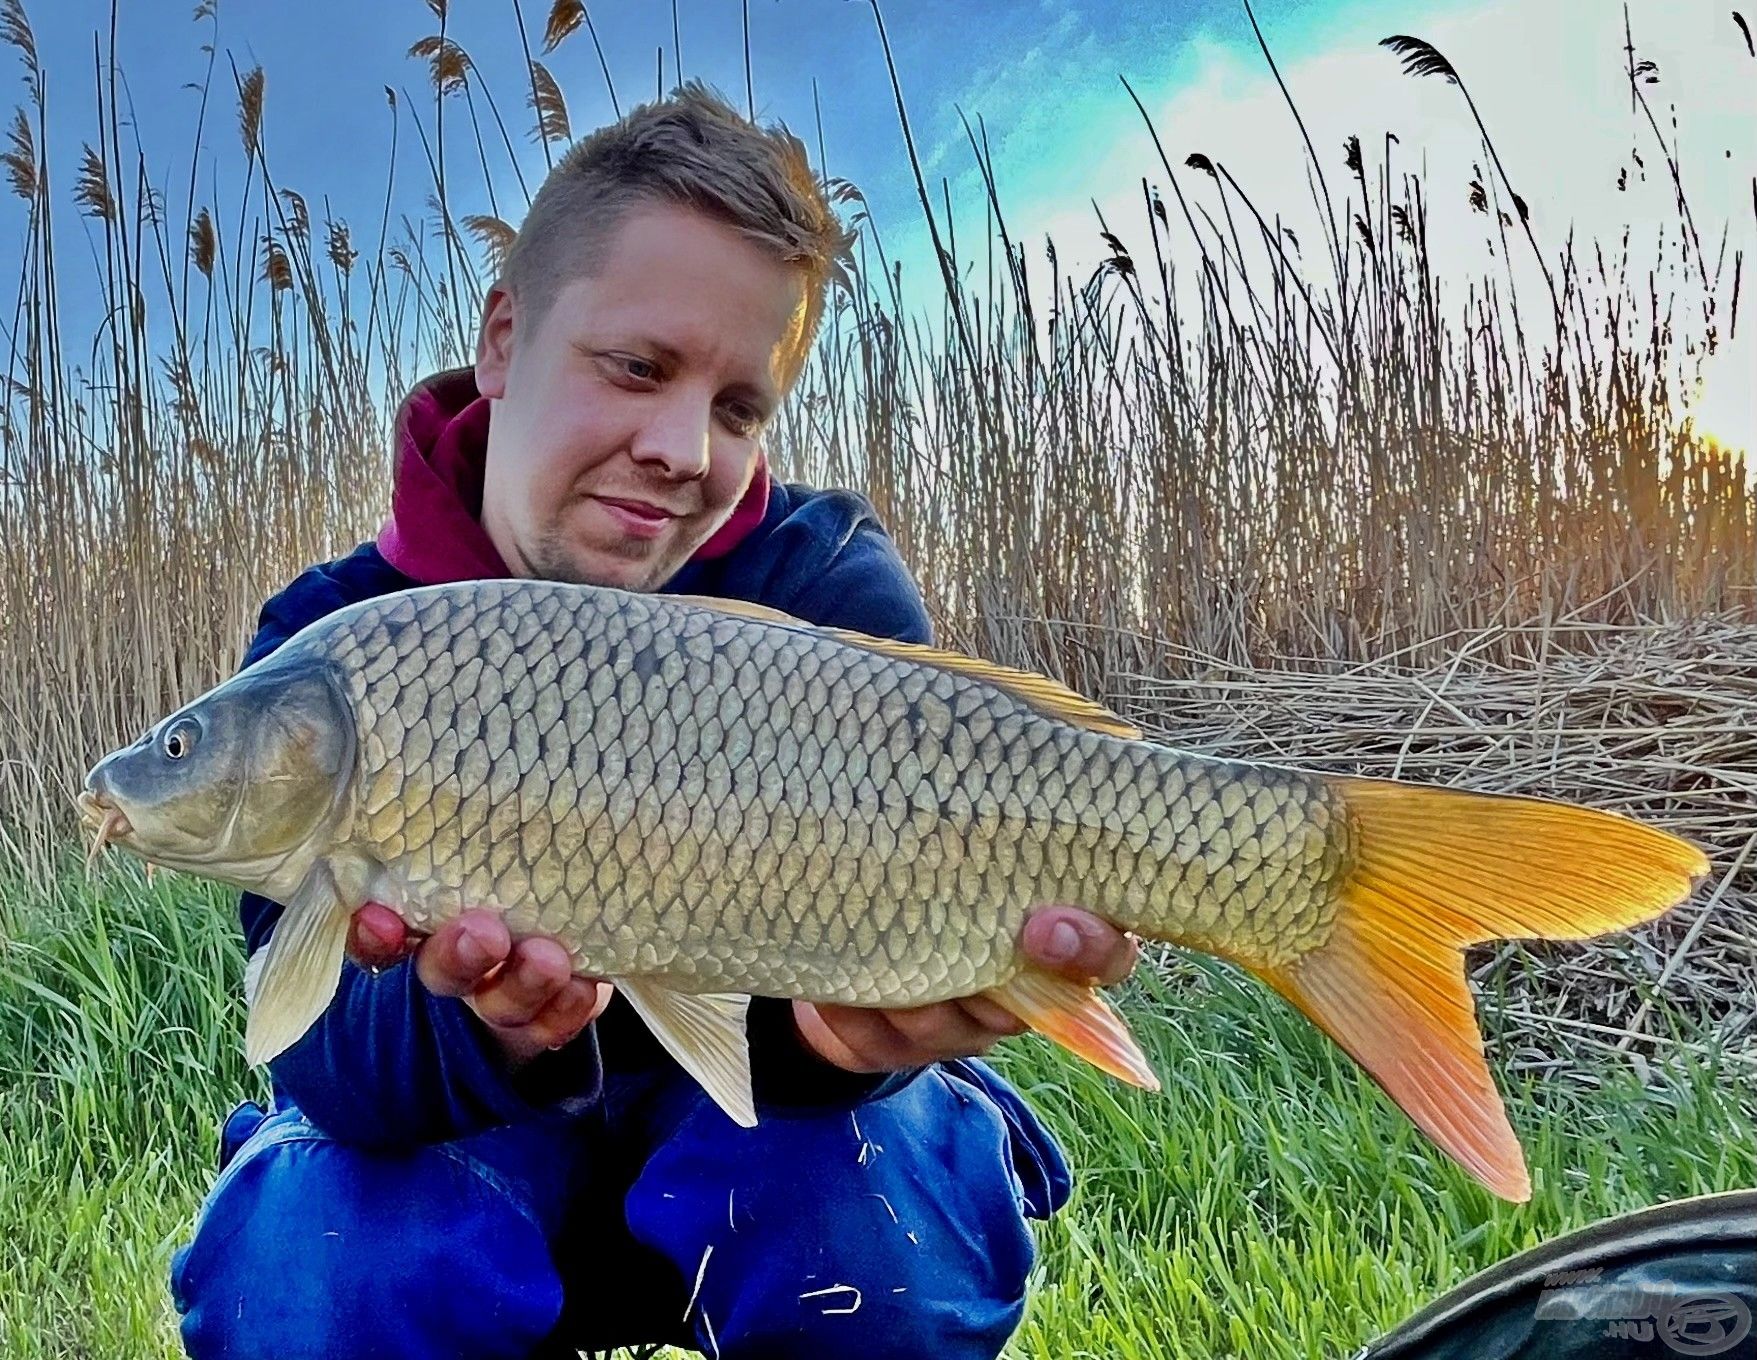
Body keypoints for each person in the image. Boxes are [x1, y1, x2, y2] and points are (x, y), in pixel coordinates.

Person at [169, 81, 1138, 1360]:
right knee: (316, 1266)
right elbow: (330, 1064)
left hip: (771, 1145)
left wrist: (841, 1044)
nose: (683, 445)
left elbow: (889, 972)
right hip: (471, 1163)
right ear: (504, 336)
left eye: (737, 407)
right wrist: (488, 1026)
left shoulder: (819, 583)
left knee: (861, 1232)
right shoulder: (334, 644)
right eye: (638, 368)